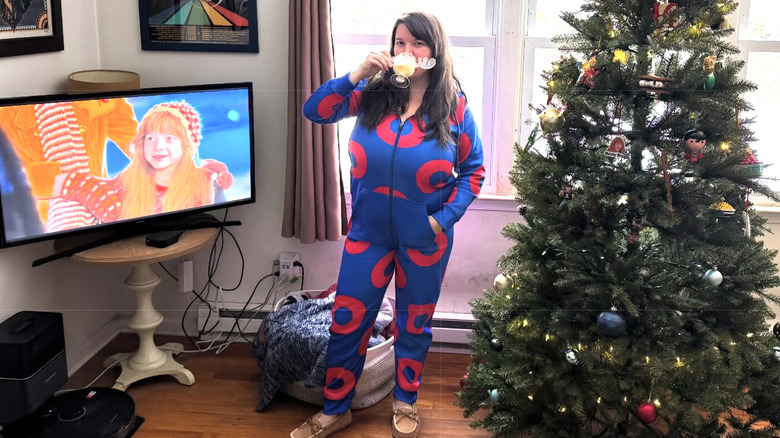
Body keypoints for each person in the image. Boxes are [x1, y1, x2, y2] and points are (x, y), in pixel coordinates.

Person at [292, 11, 484, 438]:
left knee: (414, 324)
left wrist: (441, 221)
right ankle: (335, 409)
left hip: (425, 239)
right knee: (347, 321)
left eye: (417, 44)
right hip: (368, 236)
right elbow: (315, 111)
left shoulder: (454, 107)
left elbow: (473, 172)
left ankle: (405, 401)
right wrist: (357, 72)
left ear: (434, 52)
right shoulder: (371, 94)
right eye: (400, 43)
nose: (407, 51)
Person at [54, 101, 232, 222]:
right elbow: (80, 185)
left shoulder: (209, 183)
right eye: (150, 138)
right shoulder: (124, 184)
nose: (158, 147)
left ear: (187, 144)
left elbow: (211, 228)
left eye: (169, 138)